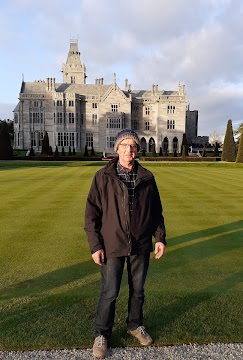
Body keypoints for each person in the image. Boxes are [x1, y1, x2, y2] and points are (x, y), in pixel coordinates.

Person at [84, 129, 166, 359]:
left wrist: (159, 238)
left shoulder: (147, 177)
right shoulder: (103, 177)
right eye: (124, 145)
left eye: (133, 146)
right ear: (116, 148)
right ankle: (102, 334)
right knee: (110, 292)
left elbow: (156, 212)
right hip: (112, 244)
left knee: (138, 291)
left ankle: (134, 325)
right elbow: (91, 215)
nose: (129, 150)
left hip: (140, 244)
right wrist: (95, 245)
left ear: (136, 150)